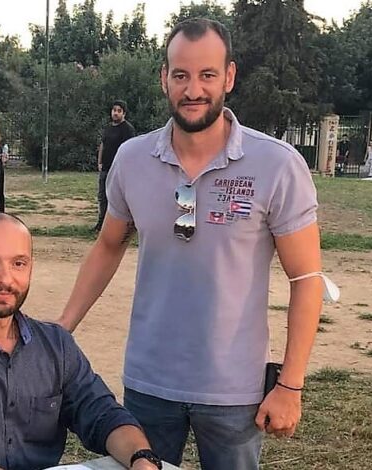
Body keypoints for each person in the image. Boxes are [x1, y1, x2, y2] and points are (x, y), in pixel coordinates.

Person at [57, 18, 323, 470]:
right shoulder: (133, 159)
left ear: (229, 77)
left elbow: (306, 277)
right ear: (165, 78)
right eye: (180, 75)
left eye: (207, 75)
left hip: (234, 392)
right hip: (149, 384)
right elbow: (108, 245)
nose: (193, 89)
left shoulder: (277, 165)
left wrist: (290, 384)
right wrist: (63, 327)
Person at [0, 213, 163, 470]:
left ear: (31, 267)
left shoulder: (56, 346)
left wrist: (140, 457)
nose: (5, 279)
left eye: (18, 263)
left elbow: (102, 412)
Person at [95, 100, 135, 231]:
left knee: (118, 199)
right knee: (103, 196)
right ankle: (101, 223)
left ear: (124, 113)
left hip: (119, 170)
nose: (115, 113)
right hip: (106, 168)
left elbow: (130, 148)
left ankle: (122, 226)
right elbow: (103, 144)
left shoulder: (127, 129)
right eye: (114, 110)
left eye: (119, 111)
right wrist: (99, 162)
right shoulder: (108, 128)